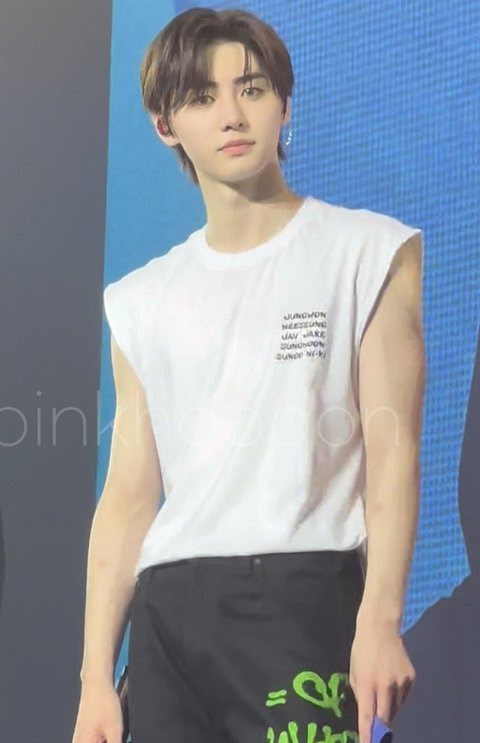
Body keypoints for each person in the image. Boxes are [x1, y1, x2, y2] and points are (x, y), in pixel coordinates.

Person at [73, 7, 424, 743]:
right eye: (202, 98)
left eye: (252, 88)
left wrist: (380, 619)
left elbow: (393, 455)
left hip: (303, 599)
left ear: (283, 104)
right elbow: (129, 496)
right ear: (165, 125)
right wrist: (96, 678)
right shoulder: (141, 299)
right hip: (168, 620)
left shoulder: (367, 253)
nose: (232, 115)